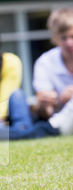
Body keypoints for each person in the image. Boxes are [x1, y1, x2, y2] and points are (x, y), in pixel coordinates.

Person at [32, 7, 73, 135]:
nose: (69, 43)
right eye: (63, 38)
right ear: (55, 38)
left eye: (72, 36)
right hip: (57, 121)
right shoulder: (44, 63)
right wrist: (50, 104)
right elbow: (45, 112)